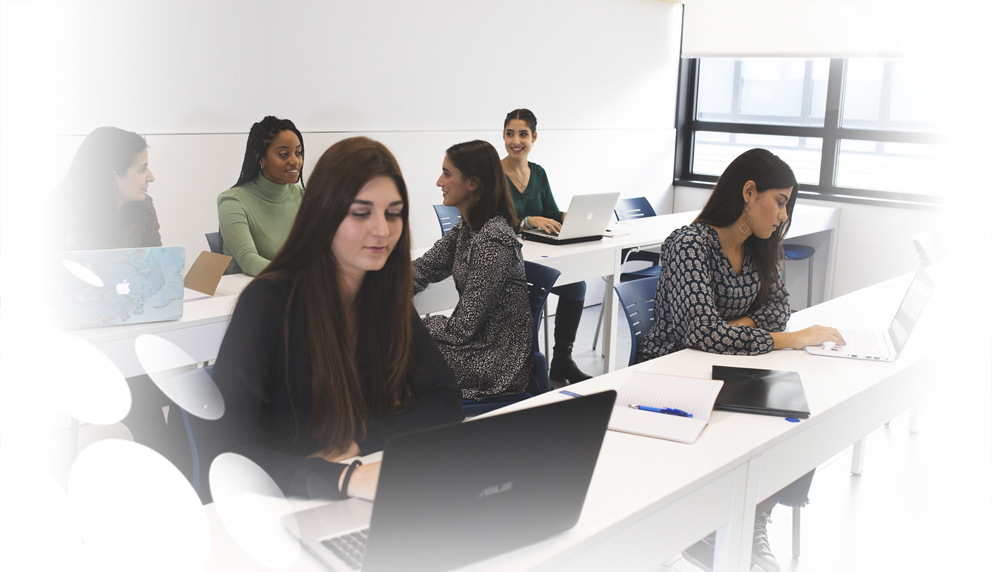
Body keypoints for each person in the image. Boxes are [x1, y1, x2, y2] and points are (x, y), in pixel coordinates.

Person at [194, 137, 463, 503]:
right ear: (324, 214)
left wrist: (358, 443)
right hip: (278, 507)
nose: (382, 230)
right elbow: (222, 452)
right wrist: (341, 478)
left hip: (359, 496)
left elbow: (445, 401)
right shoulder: (268, 303)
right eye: (361, 212)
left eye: (393, 212)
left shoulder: (383, 295)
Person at [636, 148, 844, 572]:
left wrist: (731, 326)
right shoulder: (689, 244)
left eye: (788, 204)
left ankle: (753, 517)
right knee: (770, 417)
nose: (784, 215)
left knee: (802, 414)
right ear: (749, 192)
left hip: (728, 365)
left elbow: (775, 311)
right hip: (673, 374)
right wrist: (786, 339)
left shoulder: (760, 248)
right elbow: (701, 334)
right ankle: (707, 527)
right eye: (780, 201)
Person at [413, 140, 533, 400]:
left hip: (497, 360)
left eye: (446, 174)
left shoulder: (493, 239)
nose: (439, 182)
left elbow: (462, 328)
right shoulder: (467, 229)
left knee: (402, 354)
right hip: (475, 344)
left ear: (473, 183)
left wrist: (412, 326)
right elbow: (424, 268)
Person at [500, 108, 591, 384]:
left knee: (577, 286)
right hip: (506, 260)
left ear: (534, 137)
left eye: (523, 134)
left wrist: (571, 217)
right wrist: (526, 221)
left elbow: (550, 211)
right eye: (510, 134)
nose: (516, 141)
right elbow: (492, 221)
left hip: (538, 256)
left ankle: (562, 360)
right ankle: (526, 367)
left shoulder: (538, 173)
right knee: (533, 294)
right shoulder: (494, 174)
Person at [218, 116, 305, 275]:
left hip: (295, 290)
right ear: (260, 158)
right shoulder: (231, 201)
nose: (295, 161)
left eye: (298, 153)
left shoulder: (305, 197)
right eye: (284, 154)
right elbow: (249, 261)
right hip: (246, 294)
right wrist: (299, 277)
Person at [53, 126, 160, 252]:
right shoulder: (57, 213)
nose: (151, 177)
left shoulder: (144, 207)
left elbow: (156, 264)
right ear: (113, 175)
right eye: (142, 169)